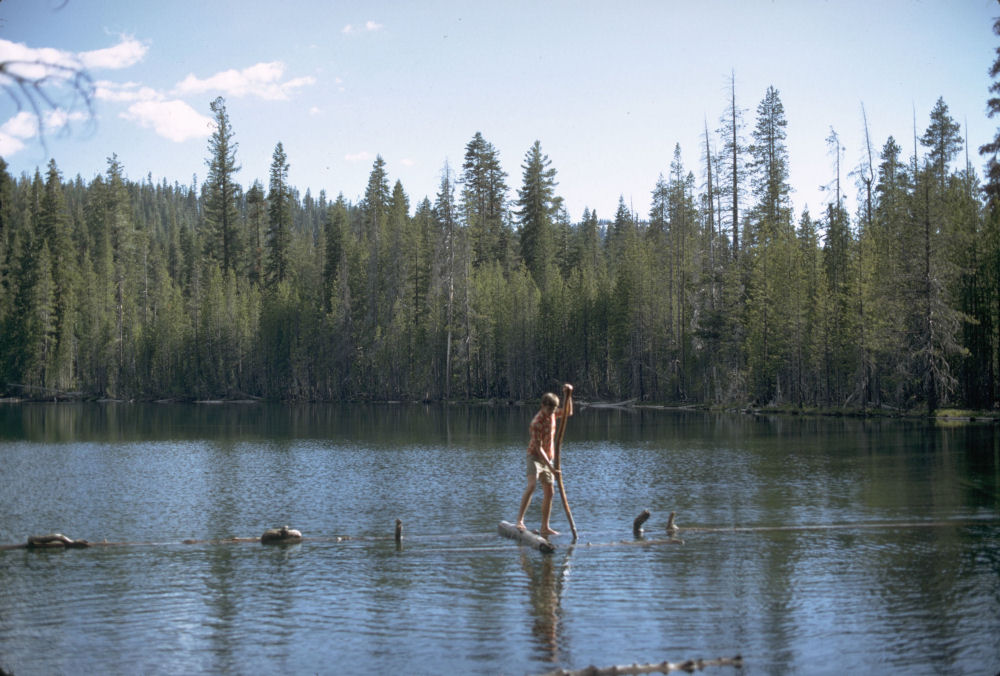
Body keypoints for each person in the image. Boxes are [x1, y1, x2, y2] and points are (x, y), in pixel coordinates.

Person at [516, 384, 573, 536]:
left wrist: (569, 395)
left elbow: (568, 412)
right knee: (532, 485)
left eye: (553, 410)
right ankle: (520, 520)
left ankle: (544, 527)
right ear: (543, 406)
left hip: (548, 458)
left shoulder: (553, 414)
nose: (551, 413)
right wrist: (552, 468)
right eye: (549, 410)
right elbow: (538, 448)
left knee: (550, 491)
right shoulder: (536, 423)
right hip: (534, 456)